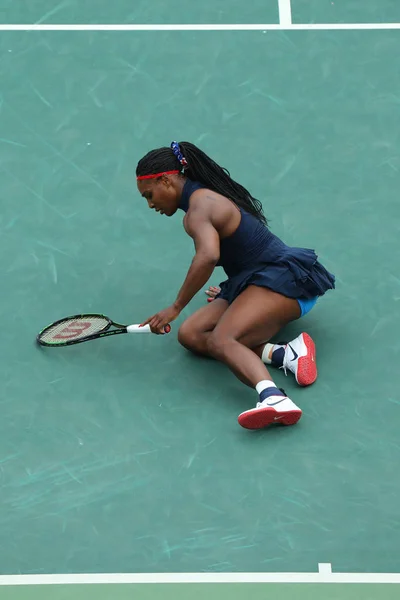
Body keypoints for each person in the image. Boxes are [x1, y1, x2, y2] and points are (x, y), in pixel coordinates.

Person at [137, 141, 335, 430]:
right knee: (191, 335)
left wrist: (176, 307)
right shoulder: (201, 201)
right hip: (253, 279)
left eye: (149, 195)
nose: (150, 204)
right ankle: (284, 353)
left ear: (166, 180)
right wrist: (238, 290)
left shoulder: (199, 209)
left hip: (287, 282)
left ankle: (274, 399)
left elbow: (208, 257)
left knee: (221, 340)